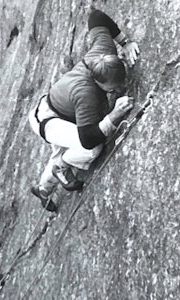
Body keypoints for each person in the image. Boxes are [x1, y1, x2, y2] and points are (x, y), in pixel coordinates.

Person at [28, 9, 140, 212]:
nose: (119, 89)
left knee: (68, 146)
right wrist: (114, 116)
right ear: (98, 82)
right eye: (113, 89)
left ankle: (42, 190)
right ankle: (62, 166)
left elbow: (96, 16)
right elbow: (88, 139)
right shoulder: (86, 95)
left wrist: (125, 42)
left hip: (60, 107)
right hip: (48, 120)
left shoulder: (103, 51)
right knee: (90, 149)